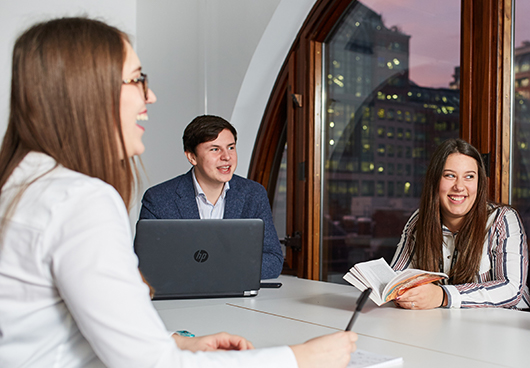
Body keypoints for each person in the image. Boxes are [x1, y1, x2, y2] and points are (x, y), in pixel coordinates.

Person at [0, 17, 356, 367]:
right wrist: (299, 358)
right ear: (86, 89)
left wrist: (177, 343)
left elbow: (78, 323)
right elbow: (151, 363)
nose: (150, 96)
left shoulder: (25, 185)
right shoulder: (79, 200)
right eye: (138, 79)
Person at [390, 139, 530, 309]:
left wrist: (443, 296)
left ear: (479, 183)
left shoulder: (503, 219)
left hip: (510, 325)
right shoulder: (420, 220)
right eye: (450, 175)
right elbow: (396, 278)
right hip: (448, 324)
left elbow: (511, 290)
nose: (459, 186)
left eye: (469, 177)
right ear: (435, 180)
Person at [139, 115, 283, 279]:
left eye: (231, 147)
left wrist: (215, 270)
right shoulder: (159, 199)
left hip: (237, 298)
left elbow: (273, 259)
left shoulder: (254, 194)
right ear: (192, 157)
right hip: (181, 300)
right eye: (215, 149)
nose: (226, 157)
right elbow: (146, 263)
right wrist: (225, 267)